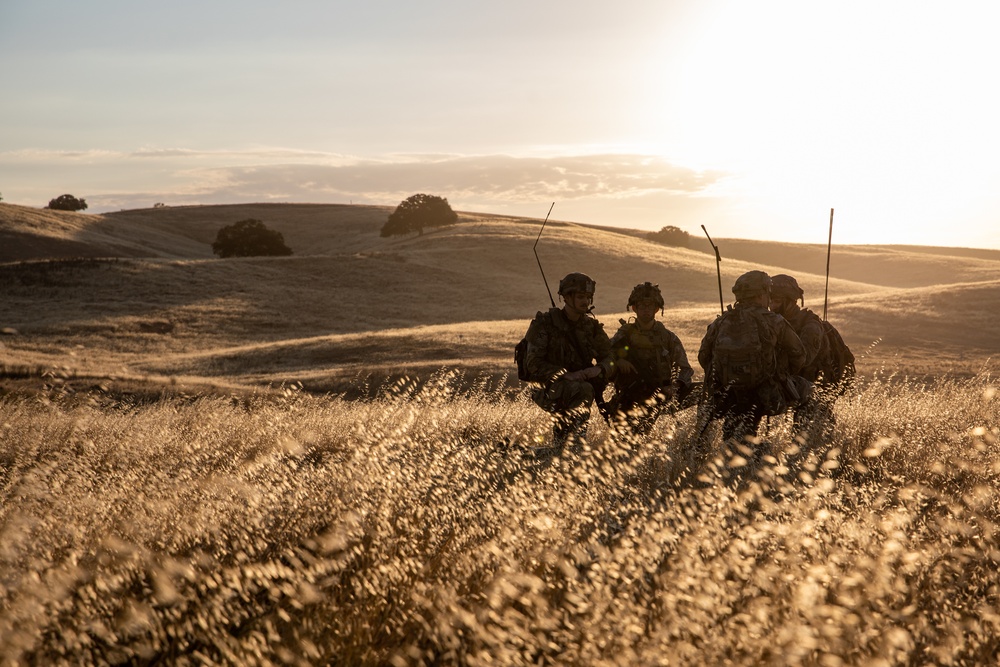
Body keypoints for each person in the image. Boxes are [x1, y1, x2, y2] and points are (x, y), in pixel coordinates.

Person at [698, 270, 807, 445]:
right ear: (762, 294)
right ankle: (802, 446)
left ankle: (733, 459)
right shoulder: (774, 321)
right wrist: (781, 373)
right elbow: (800, 354)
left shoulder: (721, 321)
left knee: (734, 436)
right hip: (767, 393)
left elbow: (703, 356)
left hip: (728, 394)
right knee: (810, 392)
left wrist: (728, 376)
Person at [522, 272, 616, 453]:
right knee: (582, 389)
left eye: (588, 297)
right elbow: (533, 364)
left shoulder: (591, 327)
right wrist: (565, 374)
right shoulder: (546, 324)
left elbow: (611, 357)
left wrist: (599, 368)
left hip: (576, 386)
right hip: (546, 387)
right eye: (581, 297)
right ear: (566, 297)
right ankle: (577, 447)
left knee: (562, 439)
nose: (585, 302)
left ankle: (542, 452)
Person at [609, 282, 695, 436]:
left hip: (663, 393)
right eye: (642, 305)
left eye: (650, 306)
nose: (646, 309)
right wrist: (618, 361)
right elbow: (606, 356)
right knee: (630, 439)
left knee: (705, 392)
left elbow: (686, 369)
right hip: (631, 395)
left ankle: (694, 442)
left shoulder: (667, 337)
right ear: (634, 308)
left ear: (657, 309)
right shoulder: (625, 334)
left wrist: (675, 386)